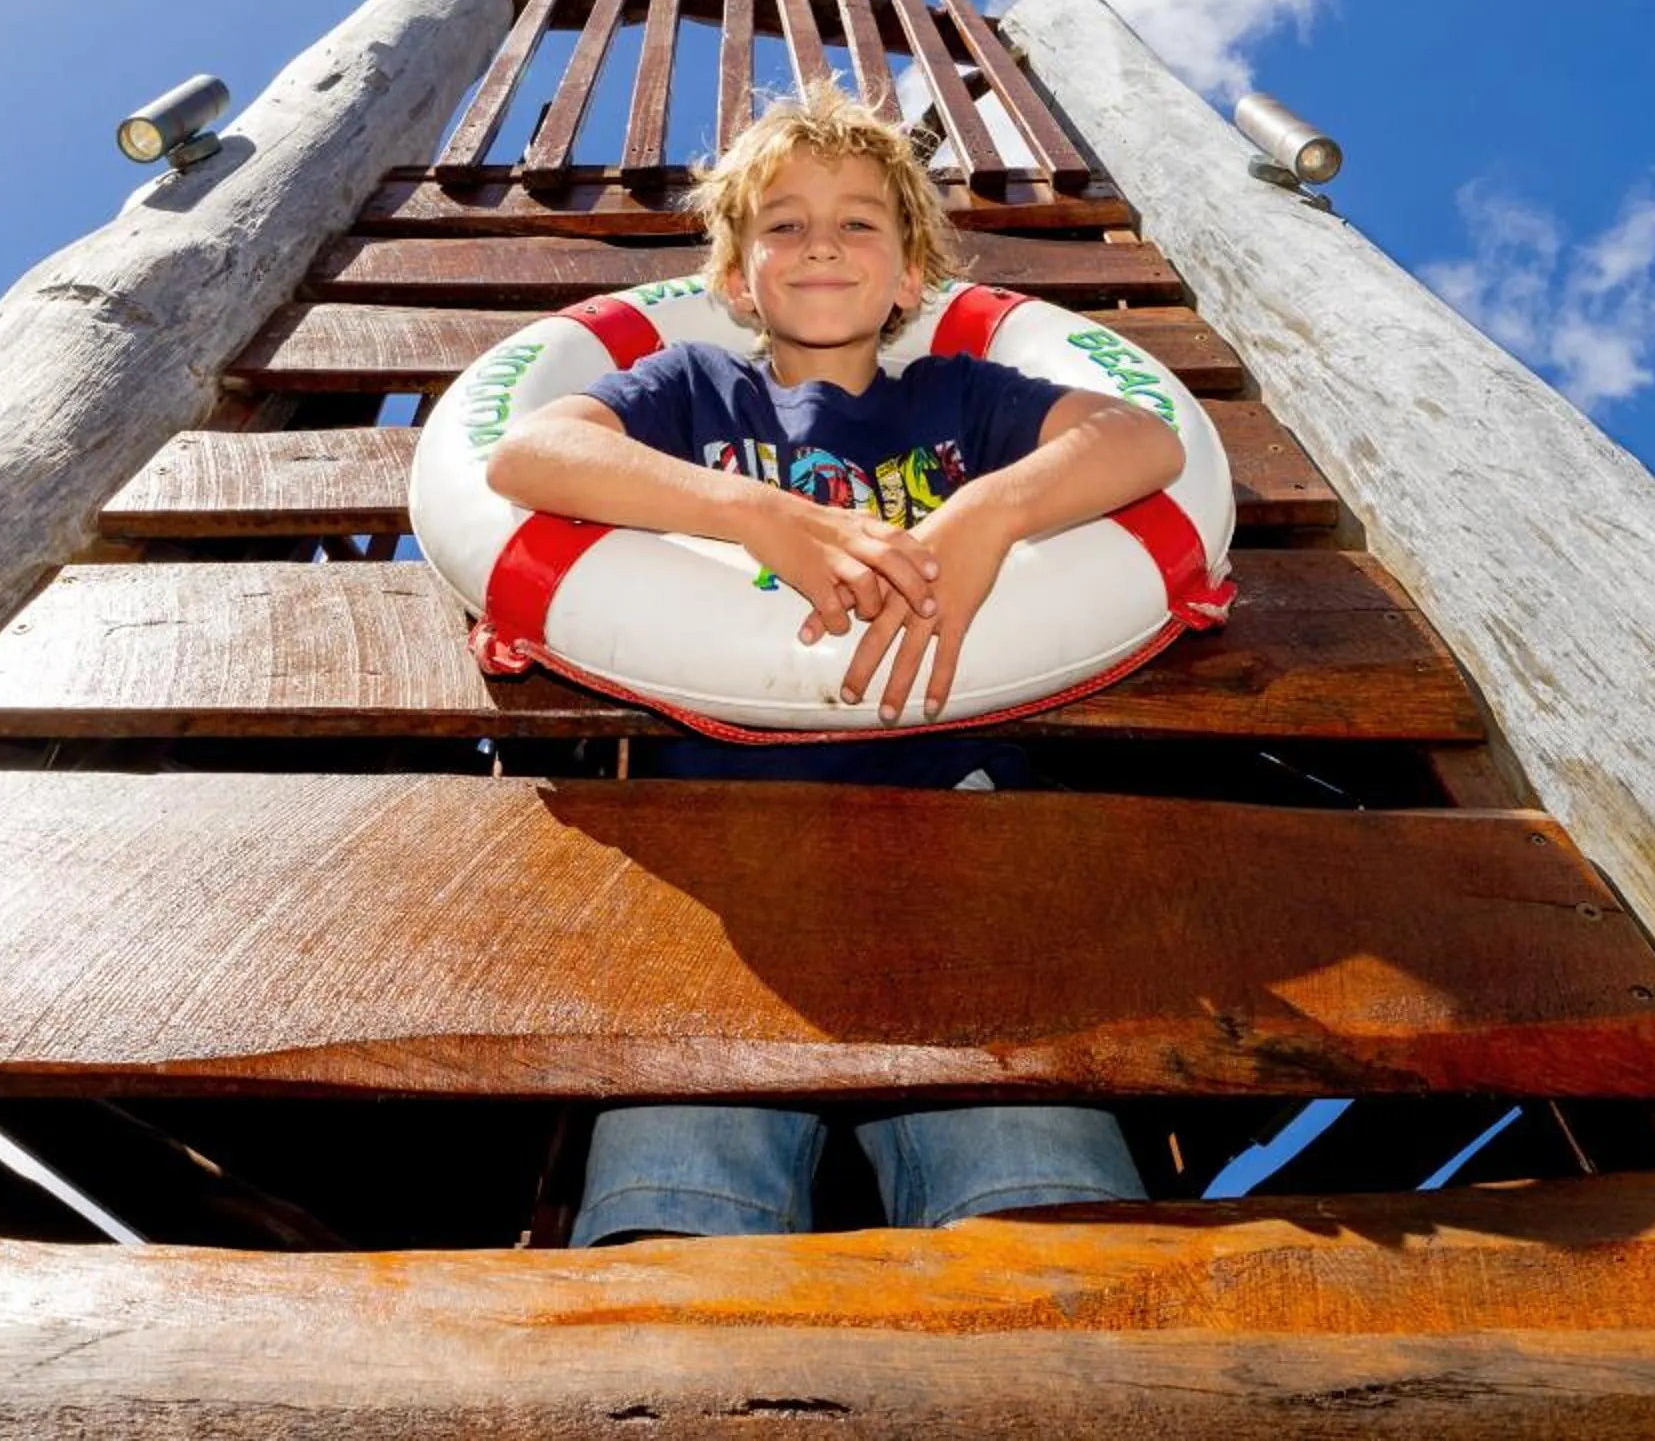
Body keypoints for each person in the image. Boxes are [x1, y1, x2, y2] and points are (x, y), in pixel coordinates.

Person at [484, 81, 1185, 1243]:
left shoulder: (962, 400)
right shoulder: (690, 390)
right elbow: (530, 454)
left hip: (954, 824)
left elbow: (1142, 438)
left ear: (911, 278)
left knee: (1034, 1191)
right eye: (786, 224)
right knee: (679, 1200)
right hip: (717, 849)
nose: (821, 243)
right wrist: (752, 509)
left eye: (860, 221)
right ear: (735, 277)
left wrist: (989, 510)